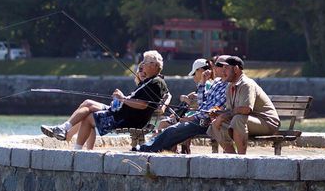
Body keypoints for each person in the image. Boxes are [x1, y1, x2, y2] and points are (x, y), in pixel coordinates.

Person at [41, 50, 169, 150]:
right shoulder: (150, 82)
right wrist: (122, 99)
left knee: (88, 117)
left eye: (145, 62)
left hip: (125, 119)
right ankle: (64, 129)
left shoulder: (156, 83)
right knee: (87, 103)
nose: (142, 65)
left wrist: (123, 99)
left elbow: (142, 104)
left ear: (155, 66)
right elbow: (149, 99)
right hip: (121, 112)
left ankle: (76, 149)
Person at [135, 58, 230, 153]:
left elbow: (211, 111)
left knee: (173, 129)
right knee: (171, 129)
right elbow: (202, 104)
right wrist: (203, 82)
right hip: (201, 118)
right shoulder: (217, 83)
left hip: (207, 122)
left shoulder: (227, 86)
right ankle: (149, 148)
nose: (214, 67)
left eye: (218, 65)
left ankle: (148, 149)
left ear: (226, 68)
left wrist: (191, 118)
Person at [208, 56, 280, 155]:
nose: (223, 72)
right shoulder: (229, 87)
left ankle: (242, 158)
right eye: (222, 68)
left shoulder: (247, 84)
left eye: (226, 68)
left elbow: (246, 109)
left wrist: (224, 116)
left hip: (267, 123)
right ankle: (231, 157)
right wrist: (218, 113)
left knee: (238, 119)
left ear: (236, 69)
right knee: (215, 124)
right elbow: (230, 111)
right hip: (248, 121)